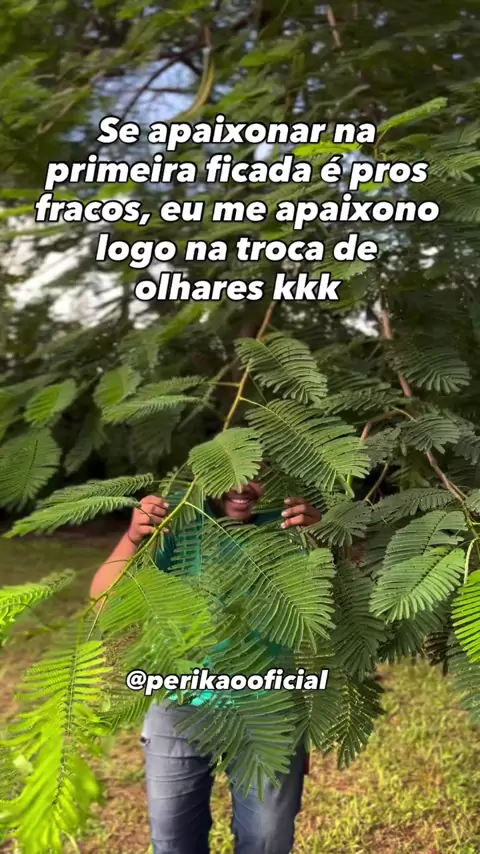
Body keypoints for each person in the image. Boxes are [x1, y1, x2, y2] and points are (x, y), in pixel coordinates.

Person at [90, 474, 322, 854]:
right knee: (173, 843)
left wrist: (325, 538)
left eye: (258, 474)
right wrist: (133, 537)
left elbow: (344, 604)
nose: (242, 485)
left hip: (268, 707)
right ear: (206, 470)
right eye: (229, 472)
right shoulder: (177, 519)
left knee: (267, 841)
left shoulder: (292, 523)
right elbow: (105, 600)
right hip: (179, 702)